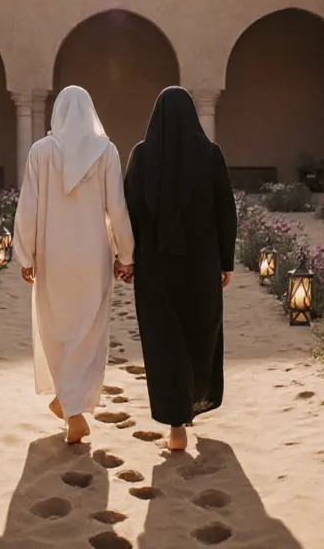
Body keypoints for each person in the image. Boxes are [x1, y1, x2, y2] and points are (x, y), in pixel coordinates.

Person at [12, 85, 135, 444]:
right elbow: (117, 208)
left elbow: (28, 208)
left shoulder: (40, 152)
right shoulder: (107, 152)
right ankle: (72, 405)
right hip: (93, 256)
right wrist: (124, 254)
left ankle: (70, 406)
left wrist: (26, 254)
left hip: (53, 256)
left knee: (57, 329)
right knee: (88, 333)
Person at [123, 86, 237, 451]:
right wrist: (226, 261)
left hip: (155, 269)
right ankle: (189, 407)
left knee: (164, 344)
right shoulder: (210, 154)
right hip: (200, 268)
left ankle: (175, 424)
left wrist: (125, 257)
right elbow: (225, 212)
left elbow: (129, 213)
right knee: (198, 337)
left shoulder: (141, 157)